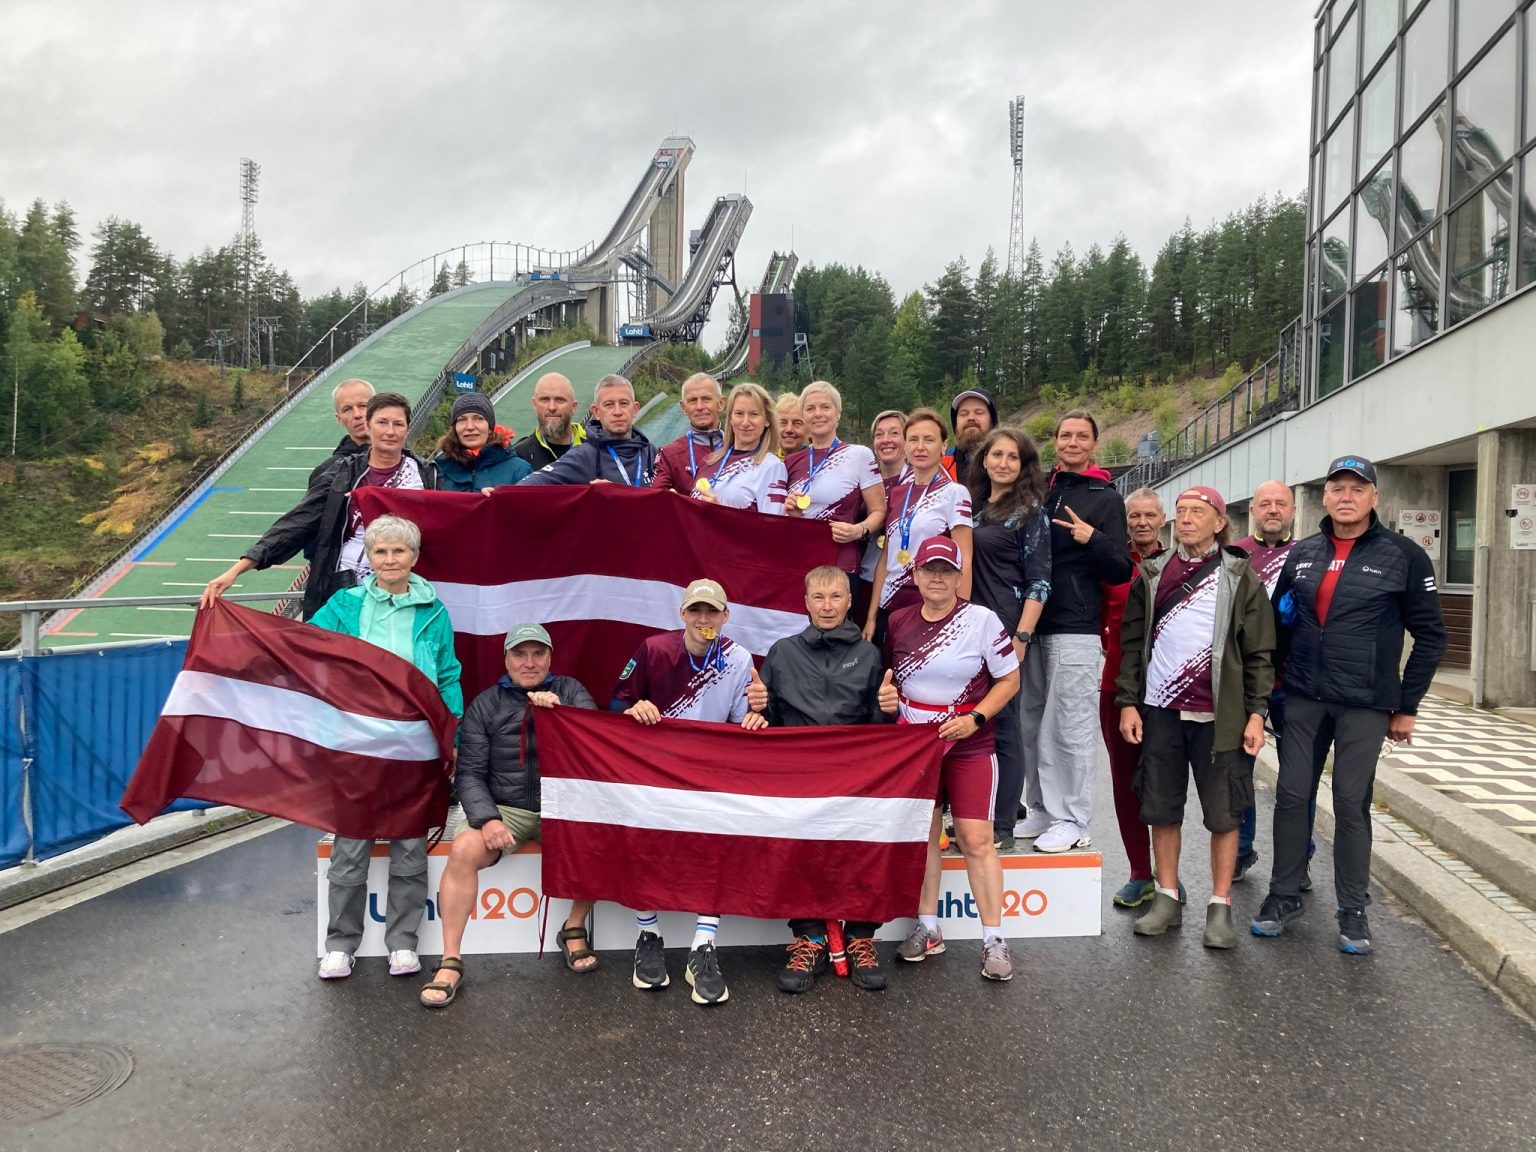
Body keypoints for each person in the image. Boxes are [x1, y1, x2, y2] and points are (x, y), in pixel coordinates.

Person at [1253, 455, 1446, 955]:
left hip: (1365, 702)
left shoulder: (1404, 555)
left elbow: (1430, 636)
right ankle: (1283, 895)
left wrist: (1408, 705)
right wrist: (1267, 693)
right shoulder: (1303, 553)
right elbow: (1278, 627)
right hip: (1303, 698)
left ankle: (1353, 909)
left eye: (1357, 489)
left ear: (1374, 497)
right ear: (1324, 497)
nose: (1346, 497)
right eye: (1337, 488)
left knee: (1350, 802)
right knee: (1292, 795)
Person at [1116, 487, 1275, 949]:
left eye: (1197, 512)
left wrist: (1256, 715)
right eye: (1181, 511)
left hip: (1220, 717)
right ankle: (1166, 897)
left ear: (1219, 522)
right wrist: (1128, 702)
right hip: (1161, 712)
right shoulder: (1152, 573)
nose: (1186, 519)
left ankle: (1220, 906)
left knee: (1224, 814)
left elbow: (1260, 653)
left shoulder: (1240, 576)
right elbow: (1131, 645)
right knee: (1161, 808)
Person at [307, 514, 464, 981]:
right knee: (350, 845)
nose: (390, 559)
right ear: (369, 558)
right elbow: (304, 646)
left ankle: (402, 943)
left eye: (399, 551)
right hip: (356, 742)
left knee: (410, 847)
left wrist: (449, 735)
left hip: (414, 745)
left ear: (413, 558)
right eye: (381, 551)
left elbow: (448, 675)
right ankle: (340, 945)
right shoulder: (344, 604)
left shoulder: (434, 611)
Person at [420, 624, 598, 1008]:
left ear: (550, 658)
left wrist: (562, 715)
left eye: (538, 653)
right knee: (464, 850)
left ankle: (573, 928)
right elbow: (469, 773)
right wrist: (487, 819)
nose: (529, 662)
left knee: (596, 840)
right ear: (506, 660)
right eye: (520, 654)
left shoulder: (570, 691)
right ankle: (450, 960)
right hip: (505, 808)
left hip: (559, 805)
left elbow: (595, 748)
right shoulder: (486, 703)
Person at [612, 578, 769, 1005]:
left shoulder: (739, 658)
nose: (703, 619)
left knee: (716, 845)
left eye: (712, 611)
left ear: (725, 616)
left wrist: (757, 714)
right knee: (644, 843)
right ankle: (648, 934)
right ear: (682, 613)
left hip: (709, 771)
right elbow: (616, 703)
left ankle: (704, 944)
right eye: (696, 610)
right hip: (654, 769)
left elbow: (740, 722)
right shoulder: (653, 649)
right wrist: (635, 707)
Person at [881, 536, 1021, 980]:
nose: (937, 578)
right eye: (929, 570)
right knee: (924, 836)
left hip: (969, 741)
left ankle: (994, 938)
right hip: (916, 745)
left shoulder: (982, 620)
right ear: (916, 574)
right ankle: (928, 927)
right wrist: (888, 698)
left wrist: (975, 719)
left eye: (946, 570)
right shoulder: (898, 620)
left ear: (960, 576)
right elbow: (891, 680)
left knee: (976, 839)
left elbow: (1010, 680)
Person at [752, 565, 890, 992]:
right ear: (806, 602)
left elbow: (879, 731)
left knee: (864, 852)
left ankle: (860, 937)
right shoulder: (782, 653)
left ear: (849, 601)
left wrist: (888, 709)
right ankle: (810, 939)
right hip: (800, 779)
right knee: (800, 855)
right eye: (818, 597)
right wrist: (758, 707)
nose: (827, 606)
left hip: (856, 779)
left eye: (835, 597)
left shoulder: (869, 655)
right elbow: (770, 722)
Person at [200, 391, 442, 620]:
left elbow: (446, 525)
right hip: (345, 590)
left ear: (407, 428)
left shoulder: (426, 475)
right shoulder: (342, 472)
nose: (390, 431)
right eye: (382, 423)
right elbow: (298, 522)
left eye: (398, 424)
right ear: (368, 426)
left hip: (405, 591)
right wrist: (238, 569)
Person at [1016, 410, 1132, 853]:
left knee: (1069, 726)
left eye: (1082, 436)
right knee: (1031, 722)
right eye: (1065, 435)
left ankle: (1072, 818)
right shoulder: (1040, 491)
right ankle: (1041, 808)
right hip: (1031, 623)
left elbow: (1120, 568)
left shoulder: (1106, 498)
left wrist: (1092, 538)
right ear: (1056, 441)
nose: (1073, 442)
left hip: (1075, 626)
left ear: (1094, 444)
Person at [963, 427, 1051, 852]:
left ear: (1023, 465)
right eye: (996, 455)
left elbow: (1040, 583)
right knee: (971, 721)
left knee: (1004, 724)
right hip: (965, 628)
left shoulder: (1030, 514)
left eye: (1013, 457)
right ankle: (974, 813)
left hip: (1004, 628)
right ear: (984, 460)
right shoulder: (971, 506)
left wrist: (1021, 637)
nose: (1003, 463)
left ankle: (1002, 823)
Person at [1232, 480, 1311, 885]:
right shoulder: (1235, 555)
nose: (1273, 510)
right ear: (1253, 511)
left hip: (1296, 684)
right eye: (1265, 504)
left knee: (1298, 778)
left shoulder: (1310, 555)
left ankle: (1299, 858)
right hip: (1244, 685)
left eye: (1281, 503)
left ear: (1293, 510)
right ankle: (1240, 850)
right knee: (1238, 773)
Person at [1100, 488, 1167, 907]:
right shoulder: (1113, 565)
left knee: (1164, 782)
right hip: (1116, 687)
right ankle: (1140, 872)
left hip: (1167, 689)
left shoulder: (1176, 564)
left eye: (1149, 515)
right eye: (1134, 516)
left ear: (1163, 520)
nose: (1142, 522)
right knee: (1126, 784)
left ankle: (1168, 874)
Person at [866, 408, 972, 648]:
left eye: (929, 440)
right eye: (913, 439)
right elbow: (886, 558)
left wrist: (959, 620)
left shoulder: (955, 493)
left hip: (930, 607)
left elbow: (965, 559)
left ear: (943, 446)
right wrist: (872, 615)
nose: (920, 447)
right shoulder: (897, 493)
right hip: (889, 607)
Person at [784, 381, 887, 578]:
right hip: (800, 563)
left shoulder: (859, 455)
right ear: (803, 416)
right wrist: (792, 513)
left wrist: (858, 530)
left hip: (841, 565)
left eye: (825, 407)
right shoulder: (791, 461)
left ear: (838, 413)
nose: (818, 414)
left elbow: (879, 511)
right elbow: (786, 522)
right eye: (810, 408)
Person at [517, 374, 657, 487]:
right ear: (596, 412)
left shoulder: (651, 453)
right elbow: (529, 484)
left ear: (635, 409)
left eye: (624, 403)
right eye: (609, 405)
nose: (617, 412)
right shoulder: (583, 455)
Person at [691, 381, 787, 513]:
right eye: (739, 413)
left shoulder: (771, 466)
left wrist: (719, 513)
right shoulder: (709, 460)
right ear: (730, 418)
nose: (745, 422)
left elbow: (773, 523)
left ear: (767, 420)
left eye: (754, 414)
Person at [856, 409, 910, 624]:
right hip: (864, 578)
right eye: (879, 434)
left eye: (894, 433)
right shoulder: (861, 481)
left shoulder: (919, 482)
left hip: (904, 583)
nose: (886, 440)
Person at [433, 392, 531, 493]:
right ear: (455, 428)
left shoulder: (519, 470)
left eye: (478, 419)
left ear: (490, 427)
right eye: (462, 420)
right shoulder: (436, 471)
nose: (470, 427)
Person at [652, 372, 726, 493]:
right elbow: (655, 496)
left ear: (721, 403)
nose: (700, 406)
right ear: (684, 407)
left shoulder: (739, 448)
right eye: (692, 400)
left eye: (706, 399)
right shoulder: (669, 454)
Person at [512, 372, 586, 471]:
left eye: (560, 400)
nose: (552, 407)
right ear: (534, 404)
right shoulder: (520, 455)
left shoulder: (595, 450)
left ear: (574, 407)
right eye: (545, 399)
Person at [310, 378, 374, 486]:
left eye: (363, 406)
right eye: (347, 409)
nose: (357, 414)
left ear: (378, 408)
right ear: (339, 419)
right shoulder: (328, 471)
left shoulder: (401, 459)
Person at [941, 387, 997, 480]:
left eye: (979, 412)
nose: (971, 417)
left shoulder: (1012, 462)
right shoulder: (940, 466)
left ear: (992, 421)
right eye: (964, 414)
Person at [775, 392, 806, 456]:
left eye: (797, 423)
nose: (789, 429)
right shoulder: (764, 459)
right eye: (783, 422)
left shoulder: (817, 459)